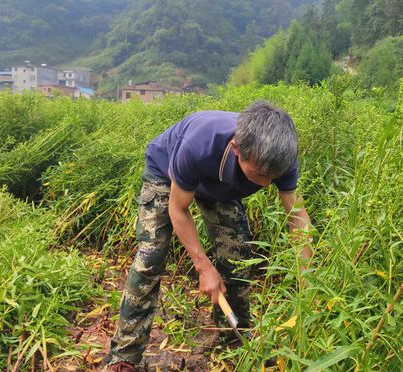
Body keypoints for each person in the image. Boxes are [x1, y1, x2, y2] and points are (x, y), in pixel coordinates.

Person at [107, 100, 312, 371]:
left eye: (273, 177)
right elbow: (178, 209)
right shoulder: (199, 146)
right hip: (166, 175)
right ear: (238, 149)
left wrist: (308, 278)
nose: (266, 184)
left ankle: (235, 341)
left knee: (237, 256)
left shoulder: (279, 157)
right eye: (260, 174)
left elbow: (297, 217)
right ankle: (125, 355)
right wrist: (203, 266)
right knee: (150, 258)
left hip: (221, 186)